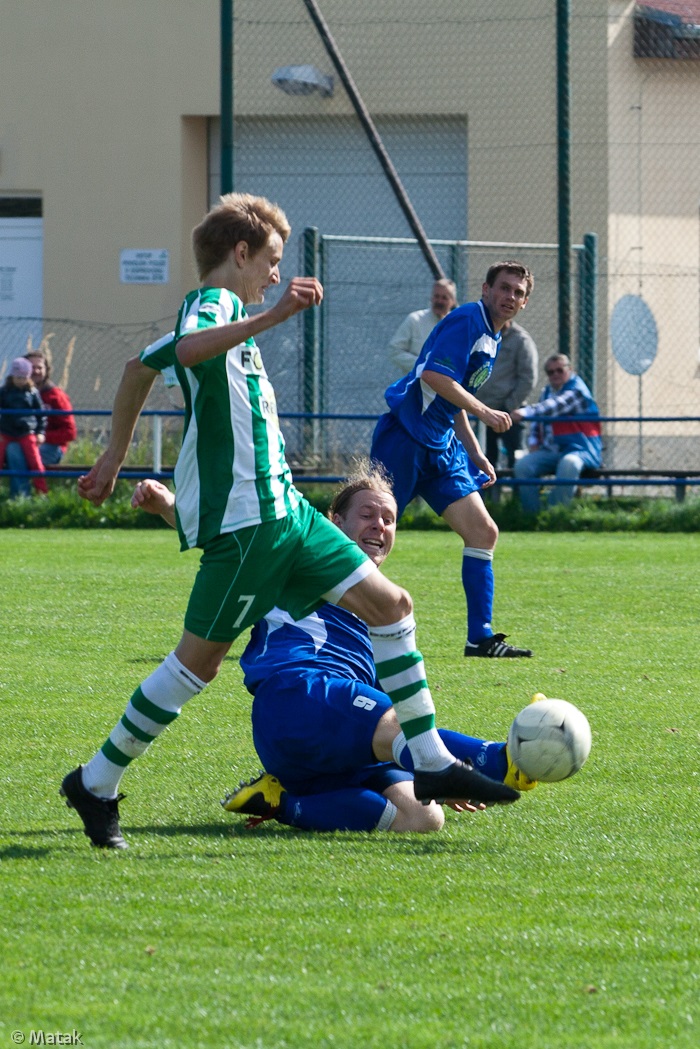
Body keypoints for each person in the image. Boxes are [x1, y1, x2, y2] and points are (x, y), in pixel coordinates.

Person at [61, 192, 518, 850]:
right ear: (239, 254)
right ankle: (96, 780)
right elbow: (187, 349)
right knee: (195, 665)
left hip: (289, 511)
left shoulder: (225, 316)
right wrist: (273, 316)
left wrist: (111, 454)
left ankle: (435, 762)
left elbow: (139, 367)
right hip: (250, 522)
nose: (277, 273)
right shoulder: (214, 305)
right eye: (271, 260)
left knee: (391, 605)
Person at [131, 469, 538, 834]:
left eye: (389, 519)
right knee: (397, 724)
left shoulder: (382, 607)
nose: (379, 525)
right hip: (300, 698)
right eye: (367, 514)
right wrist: (167, 504)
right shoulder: (296, 562)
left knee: (424, 818)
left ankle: (280, 801)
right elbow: (230, 539)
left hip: (342, 736)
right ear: (334, 522)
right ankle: (502, 760)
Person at [370, 261, 534, 659]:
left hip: (441, 446)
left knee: (483, 532)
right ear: (485, 289)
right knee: (366, 538)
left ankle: (479, 638)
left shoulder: (492, 337)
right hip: (406, 437)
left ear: (524, 302)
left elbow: (451, 393)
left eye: (518, 292)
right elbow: (433, 377)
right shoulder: (467, 320)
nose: (509, 296)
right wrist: (486, 413)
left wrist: (475, 452)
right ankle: (311, 618)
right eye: (504, 288)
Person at [511, 353, 602, 514]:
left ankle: (555, 513)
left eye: (560, 370)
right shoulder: (547, 392)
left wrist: (524, 412)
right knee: (523, 466)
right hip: (551, 450)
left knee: (569, 463)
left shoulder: (577, 391)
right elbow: (537, 424)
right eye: (550, 372)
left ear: (570, 370)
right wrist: (533, 442)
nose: (555, 375)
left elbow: (551, 407)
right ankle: (532, 516)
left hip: (581, 449)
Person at [4, 346, 77, 496]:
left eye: (40, 367)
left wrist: (39, 437)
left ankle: (24, 497)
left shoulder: (56, 396)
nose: (36, 371)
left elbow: (70, 432)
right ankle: (21, 499)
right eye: (32, 367)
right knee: (13, 448)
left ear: (46, 370)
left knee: (15, 451)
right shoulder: (10, 394)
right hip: (17, 440)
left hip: (50, 447)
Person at [479, 319, 538, 470]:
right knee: (485, 457)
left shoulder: (521, 340)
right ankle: (487, 493)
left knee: (516, 457)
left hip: (511, 413)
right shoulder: (483, 335)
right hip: (484, 411)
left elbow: (528, 378)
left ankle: (518, 493)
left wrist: (509, 406)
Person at [388, 278, 457, 375]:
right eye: (436, 296)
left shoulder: (457, 325)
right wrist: (423, 365)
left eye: (444, 298)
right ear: (431, 297)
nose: (439, 301)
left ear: (453, 301)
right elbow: (394, 351)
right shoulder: (415, 320)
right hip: (416, 384)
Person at [0, 357, 48, 496]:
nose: (21, 381)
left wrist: (40, 432)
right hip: (6, 432)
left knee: (35, 462)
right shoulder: (4, 392)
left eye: (24, 377)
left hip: (26, 432)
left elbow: (41, 414)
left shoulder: (33, 393)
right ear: (12, 376)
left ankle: (42, 492)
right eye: (18, 377)